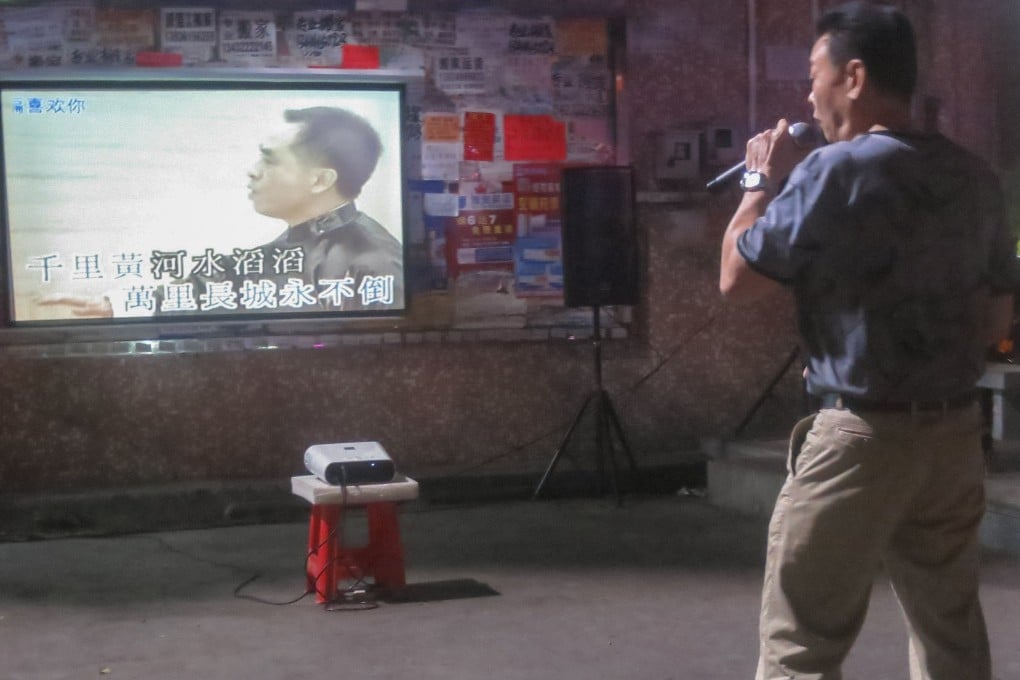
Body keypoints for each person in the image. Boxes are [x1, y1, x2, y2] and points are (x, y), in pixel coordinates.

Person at [718, 3, 1016, 679]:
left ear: (853, 77)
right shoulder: (976, 179)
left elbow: (737, 279)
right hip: (952, 437)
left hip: (859, 439)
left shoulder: (834, 171)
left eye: (813, 75)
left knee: (802, 642)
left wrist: (757, 183)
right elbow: (996, 319)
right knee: (951, 635)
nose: (808, 95)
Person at [40, 106, 402, 317]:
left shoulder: (375, 262)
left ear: (320, 180)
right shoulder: (291, 245)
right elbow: (216, 285)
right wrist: (114, 304)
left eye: (270, 159)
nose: (253, 170)